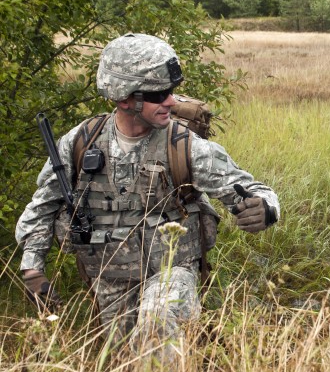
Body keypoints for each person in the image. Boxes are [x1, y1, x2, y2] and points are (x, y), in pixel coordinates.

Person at [16, 33, 280, 355]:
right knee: (123, 359)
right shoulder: (81, 142)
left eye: (170, 91)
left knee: (158, 334)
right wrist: (32, 267)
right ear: (125, 99)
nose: (171, 101)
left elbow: (249, 188)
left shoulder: (183, 146)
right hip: (109, 278)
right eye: (159, 94)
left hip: (172, 268)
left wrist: (265, 208)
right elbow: (44, 204)